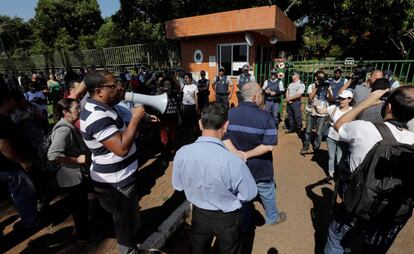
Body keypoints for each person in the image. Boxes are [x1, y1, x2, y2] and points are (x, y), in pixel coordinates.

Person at [324, 86, 414, 254]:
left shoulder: (364, 128)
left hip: (356, 208)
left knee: (336, 241)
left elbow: (339, 125)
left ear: (388, 107)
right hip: (392, 214)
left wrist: (367, 102)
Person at [172, 103, 257, 254]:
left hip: (199, 215)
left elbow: (178, 185)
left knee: (198, 249)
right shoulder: (233, 161)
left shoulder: (182, 153)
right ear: (226, 126)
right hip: (227, 218)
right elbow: (249, 193)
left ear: (200, 123)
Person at [80, 70, 145, 254]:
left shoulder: (106, 107)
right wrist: (135, 118)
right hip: (117, 182)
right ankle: (129, 250)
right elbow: (121, 148)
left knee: (128, 214)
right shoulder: (97, 116)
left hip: (122, 176)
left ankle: (133, 237)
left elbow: (120, 135)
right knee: (124, 219)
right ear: (99, 91)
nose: (118, 88)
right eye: (113, 85)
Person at [224, 82, 287, 227]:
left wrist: (236, 153)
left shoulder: (229, 114)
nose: (262, 98)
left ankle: (246, 223)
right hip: (261, 169)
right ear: (255, 97)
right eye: (261, 95)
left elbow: (223, 137)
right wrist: (247, 154)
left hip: (238, 168)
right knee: (267, 192)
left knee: (242, 195)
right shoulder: (266, 117)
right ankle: (272, 218)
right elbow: (268, 146)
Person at [48, 98, 90, 240]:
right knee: (79, 207)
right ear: (66, 113)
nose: (79, 110)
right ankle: (83, 235)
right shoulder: (64, 129)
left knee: (81, 205)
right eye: (76, 108)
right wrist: (76, 160)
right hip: (73, 176)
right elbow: (53, 155)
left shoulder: (69, 125)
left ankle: (83, 230)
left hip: (76, 175)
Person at [0, 88, 41, 231]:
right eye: (12, 100)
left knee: (22, 194)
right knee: (23, 194)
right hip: (11, 167)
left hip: (11, 166)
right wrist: (22, 161)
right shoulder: (1, 121)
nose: (15, 103)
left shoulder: (6, 119)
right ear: (6, 101)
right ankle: (31, 223)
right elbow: (4, 147)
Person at [314, 90, 353, 179]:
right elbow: (320, 111)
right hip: (331, 136)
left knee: (339, 159)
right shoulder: (334, 108)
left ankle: (339, 176)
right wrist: (316, 102)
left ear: (349, 99)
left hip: (343, 139)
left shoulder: (352, 111)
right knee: (331, 156)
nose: (341, 101)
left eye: (343, 99)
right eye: (340, 98)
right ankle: (331, 174)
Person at [301, 71, 332, 153]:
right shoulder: (311, 86)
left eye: (322, 78)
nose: (320, 79)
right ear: (315, 77)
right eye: (318, 77)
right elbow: (310, 99)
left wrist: (328, 89)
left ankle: (316, 148)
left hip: (322, 112)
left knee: (319, 132)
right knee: (308, 130)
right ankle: (306, 146)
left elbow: (331, 99)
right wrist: (317, 87)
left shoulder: (327, 86)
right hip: (311, 111)